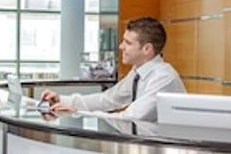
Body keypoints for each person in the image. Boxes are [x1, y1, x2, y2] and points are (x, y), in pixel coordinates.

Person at [41, 16, 185, 121]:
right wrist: (62, 100)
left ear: (147, 49)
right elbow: (108, 99)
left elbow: (131, 118)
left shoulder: (163, 77)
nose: (121, 47)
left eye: (128, 43)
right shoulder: (137, 72)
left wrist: (78, 112)